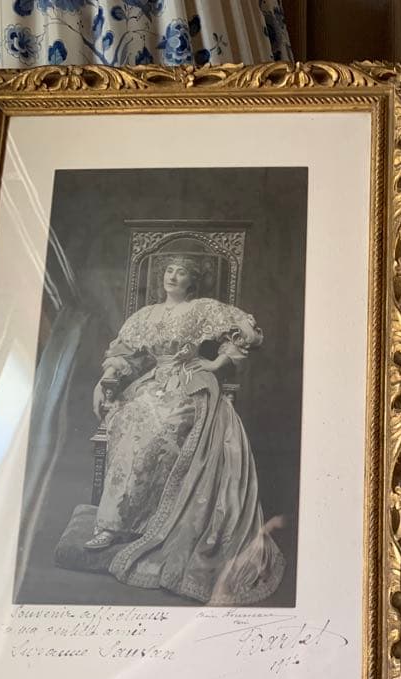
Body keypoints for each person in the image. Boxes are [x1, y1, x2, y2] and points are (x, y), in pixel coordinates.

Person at [87, 255, 284, 604]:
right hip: (150, 384)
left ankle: (156, 523)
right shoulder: (145, 315)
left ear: (192, 281)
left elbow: (247, 333)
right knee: (130, 420)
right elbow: (124, 354)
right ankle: (113, 525)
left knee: (165, 426)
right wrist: (106, 379)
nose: (173, 277)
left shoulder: (202, 308)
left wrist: (216, 362)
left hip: (189, 385)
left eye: (181, 273)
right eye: (169, 271)